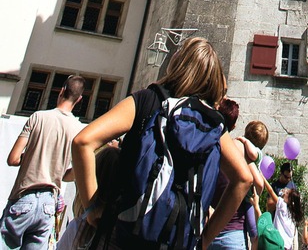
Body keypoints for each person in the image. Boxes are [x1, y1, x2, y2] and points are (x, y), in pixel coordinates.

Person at [71, 37, 252, 249]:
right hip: (179, 239)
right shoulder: (212, 123)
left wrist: (91, 207)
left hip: (127, 233)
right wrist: (205, 238)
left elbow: (83, 141)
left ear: (178, 64)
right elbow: (243, 179)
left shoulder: (148, 100)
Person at [1, 74, 85, 250]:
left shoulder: (38, 117)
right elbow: (72, 174)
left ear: (61, 91)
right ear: (79, 99)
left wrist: (32, 157)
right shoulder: (78, 130)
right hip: (49, 204)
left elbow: (13, 158)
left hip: (24, 197)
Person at [210, 99, 259, 250]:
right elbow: (257, 183)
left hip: (208, 230)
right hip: (233, 235)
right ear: (234, 126)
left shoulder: (206, 148)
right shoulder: (239, 152)